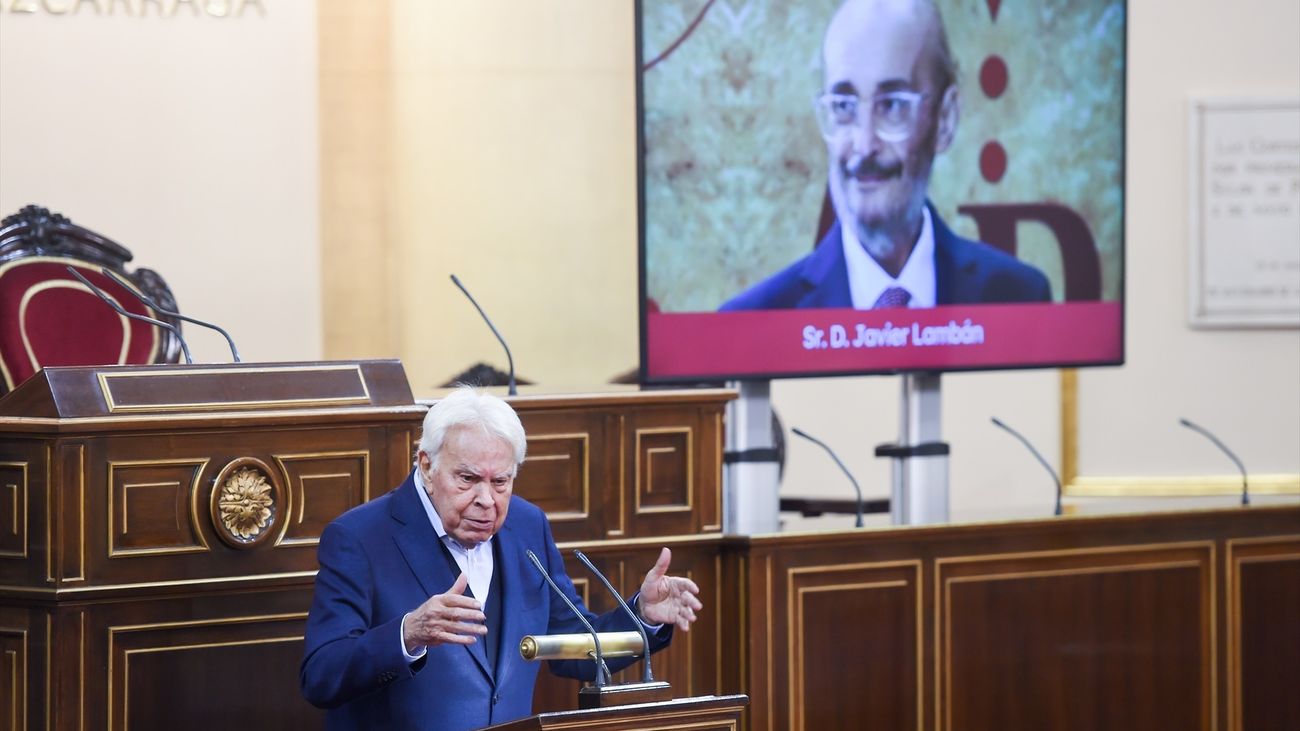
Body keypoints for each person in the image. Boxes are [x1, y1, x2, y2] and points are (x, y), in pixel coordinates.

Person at [300, 387, 702, 730]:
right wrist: (408, 634)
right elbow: (322, 676)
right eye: (468, 479)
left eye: (501, 482)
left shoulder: (527, 525)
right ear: (426, 465)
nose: (486, 500)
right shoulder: (360, 538)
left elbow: (574, 645)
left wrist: (642, 616)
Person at [721, 0, 1050, 311]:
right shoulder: (754, 326)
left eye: (892, 105)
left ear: (945, 120)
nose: (864, 145)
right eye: (844, 107)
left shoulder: (1020, 299)